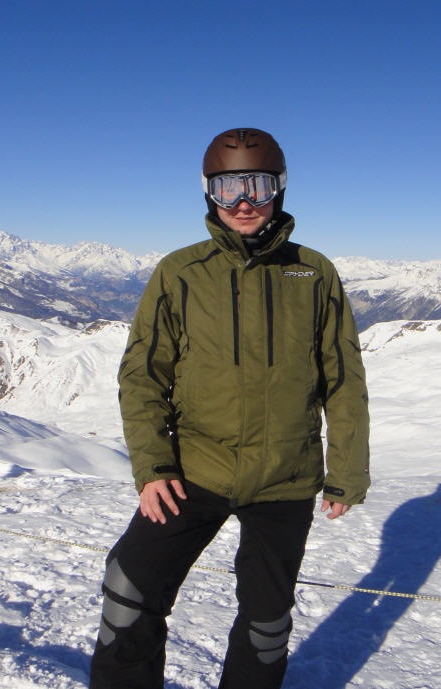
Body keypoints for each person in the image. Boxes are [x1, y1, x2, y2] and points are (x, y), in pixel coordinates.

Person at [89, 127, 370, 689]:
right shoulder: (180, 272)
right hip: (195, 470)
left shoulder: (313, 272)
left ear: (280, 188)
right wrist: (153, 467)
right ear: (208, 192)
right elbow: (142, 376)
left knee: (267, 623)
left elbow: (343, 377)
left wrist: (347, 471)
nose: (243, 202)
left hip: (285, 479)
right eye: (228, 188)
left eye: (257, 186)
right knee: (128, 588)